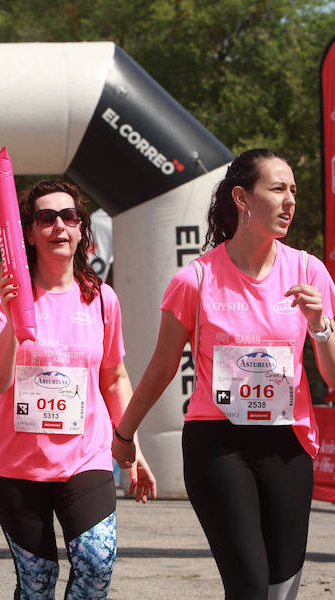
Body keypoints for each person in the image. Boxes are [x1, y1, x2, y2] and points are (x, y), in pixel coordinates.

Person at [112, 149, 335, 600]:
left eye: (294, 190)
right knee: (249, 587)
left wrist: (321, 326)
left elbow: (333, 376)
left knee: (283, 588)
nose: (290, 200)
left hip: (287, 444)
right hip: (218, 444)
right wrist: (125, 434)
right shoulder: (195, 280)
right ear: (242, 198)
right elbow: (161, 366)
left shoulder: (309, 272)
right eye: (277, 189)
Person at [0, 179, 156, 599]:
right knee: (37, 584)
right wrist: (13, 320)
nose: (59, 226)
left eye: (69, 216)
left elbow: (113, 377)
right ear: (30, 233)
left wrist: (134, 447)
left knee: (96, 562)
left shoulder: (101, 298)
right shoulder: (6, 294)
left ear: (80, 228)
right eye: (46, 218)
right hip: (16, 466)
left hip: (84, 459)